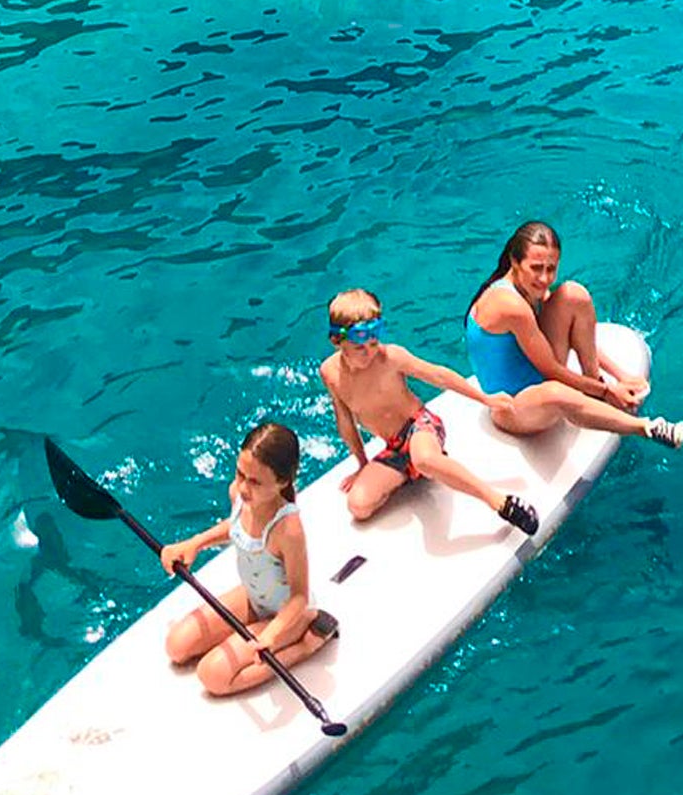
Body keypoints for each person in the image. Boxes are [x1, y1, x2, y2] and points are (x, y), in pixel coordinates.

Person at [320, 289, 541, 535]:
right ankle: (410, 471)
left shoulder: (390, 357)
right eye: (361, 348)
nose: (371, 352)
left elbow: (438, 375)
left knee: (424, 458)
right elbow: (345, 421)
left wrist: (485, 399)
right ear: (337, 341)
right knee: (358, 506)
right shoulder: (330, 373)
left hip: (420, 426)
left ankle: (501, 503)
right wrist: (362, 464)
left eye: (374, 343)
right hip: (394, 447)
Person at [466, 220, 683, 448]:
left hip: (536, 380)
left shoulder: (528, 288)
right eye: (536, 268)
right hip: (513, 408)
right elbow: (551, 369)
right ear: (515, 261)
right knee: (556, 392)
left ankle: (592, 380)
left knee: (573, 294)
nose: (544, 278)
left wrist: (619, 375)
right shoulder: (509, 304)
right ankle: (647, 428)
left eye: (551, 269)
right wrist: (608, 392)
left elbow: (576, 336)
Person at [162, 421, 339, 697]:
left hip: (287, 616)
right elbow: (235, 526)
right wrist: (195, 543)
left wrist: (271, 636)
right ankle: (261, 632)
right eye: (240, 473)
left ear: (283, 482)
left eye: (255, 481)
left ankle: (306, 644)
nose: (243, 487)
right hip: (253, 599)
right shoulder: (240, 494)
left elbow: (299, 597)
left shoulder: (287, 528)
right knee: (177, 645)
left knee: (213, 676)